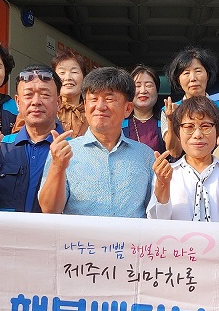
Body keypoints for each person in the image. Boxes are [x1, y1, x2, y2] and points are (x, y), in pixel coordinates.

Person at [39, 67, 154, 218]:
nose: (100, 106)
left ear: (128, 108)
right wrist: (57, 166)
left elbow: (155, 212)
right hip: (81, 241)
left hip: (130, 242)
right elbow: (49, 210)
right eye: (93, 99)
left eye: (109, 99)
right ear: (85, 106)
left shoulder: (146, 156)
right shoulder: (64, 152)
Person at [0, 64, 62, 213]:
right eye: (28, 95)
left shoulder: (72, 149)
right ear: (18, 102)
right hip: (5, 234)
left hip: (51, 234)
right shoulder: (2, 145)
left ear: (58, 102)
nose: (36, 101)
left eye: (45, 95)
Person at [148, 97, 219, 223]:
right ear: (178, 132)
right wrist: (163, 184)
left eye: (205, 126)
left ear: (217, 132)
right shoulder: (168, 173)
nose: (197, 134)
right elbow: (156, 221)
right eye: (189, 127)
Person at [161, 46, 219, 158]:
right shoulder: (169, 110)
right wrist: (171, 120)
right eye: (186, 73)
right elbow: (174, 152)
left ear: (207, 75)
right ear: (178, 79)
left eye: (198, 71)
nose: (193, 78)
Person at [125, 64, 164, 152]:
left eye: (149, 86)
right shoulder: (119, 123)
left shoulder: (166, 121)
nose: (143, 91)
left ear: (157, 91)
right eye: (137, 86)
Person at [53, 53, 87, 138]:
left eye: (74, 72)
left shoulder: (93, 112)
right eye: (62, 72)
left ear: (84, 78)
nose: (68, 77)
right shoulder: (45, 109)